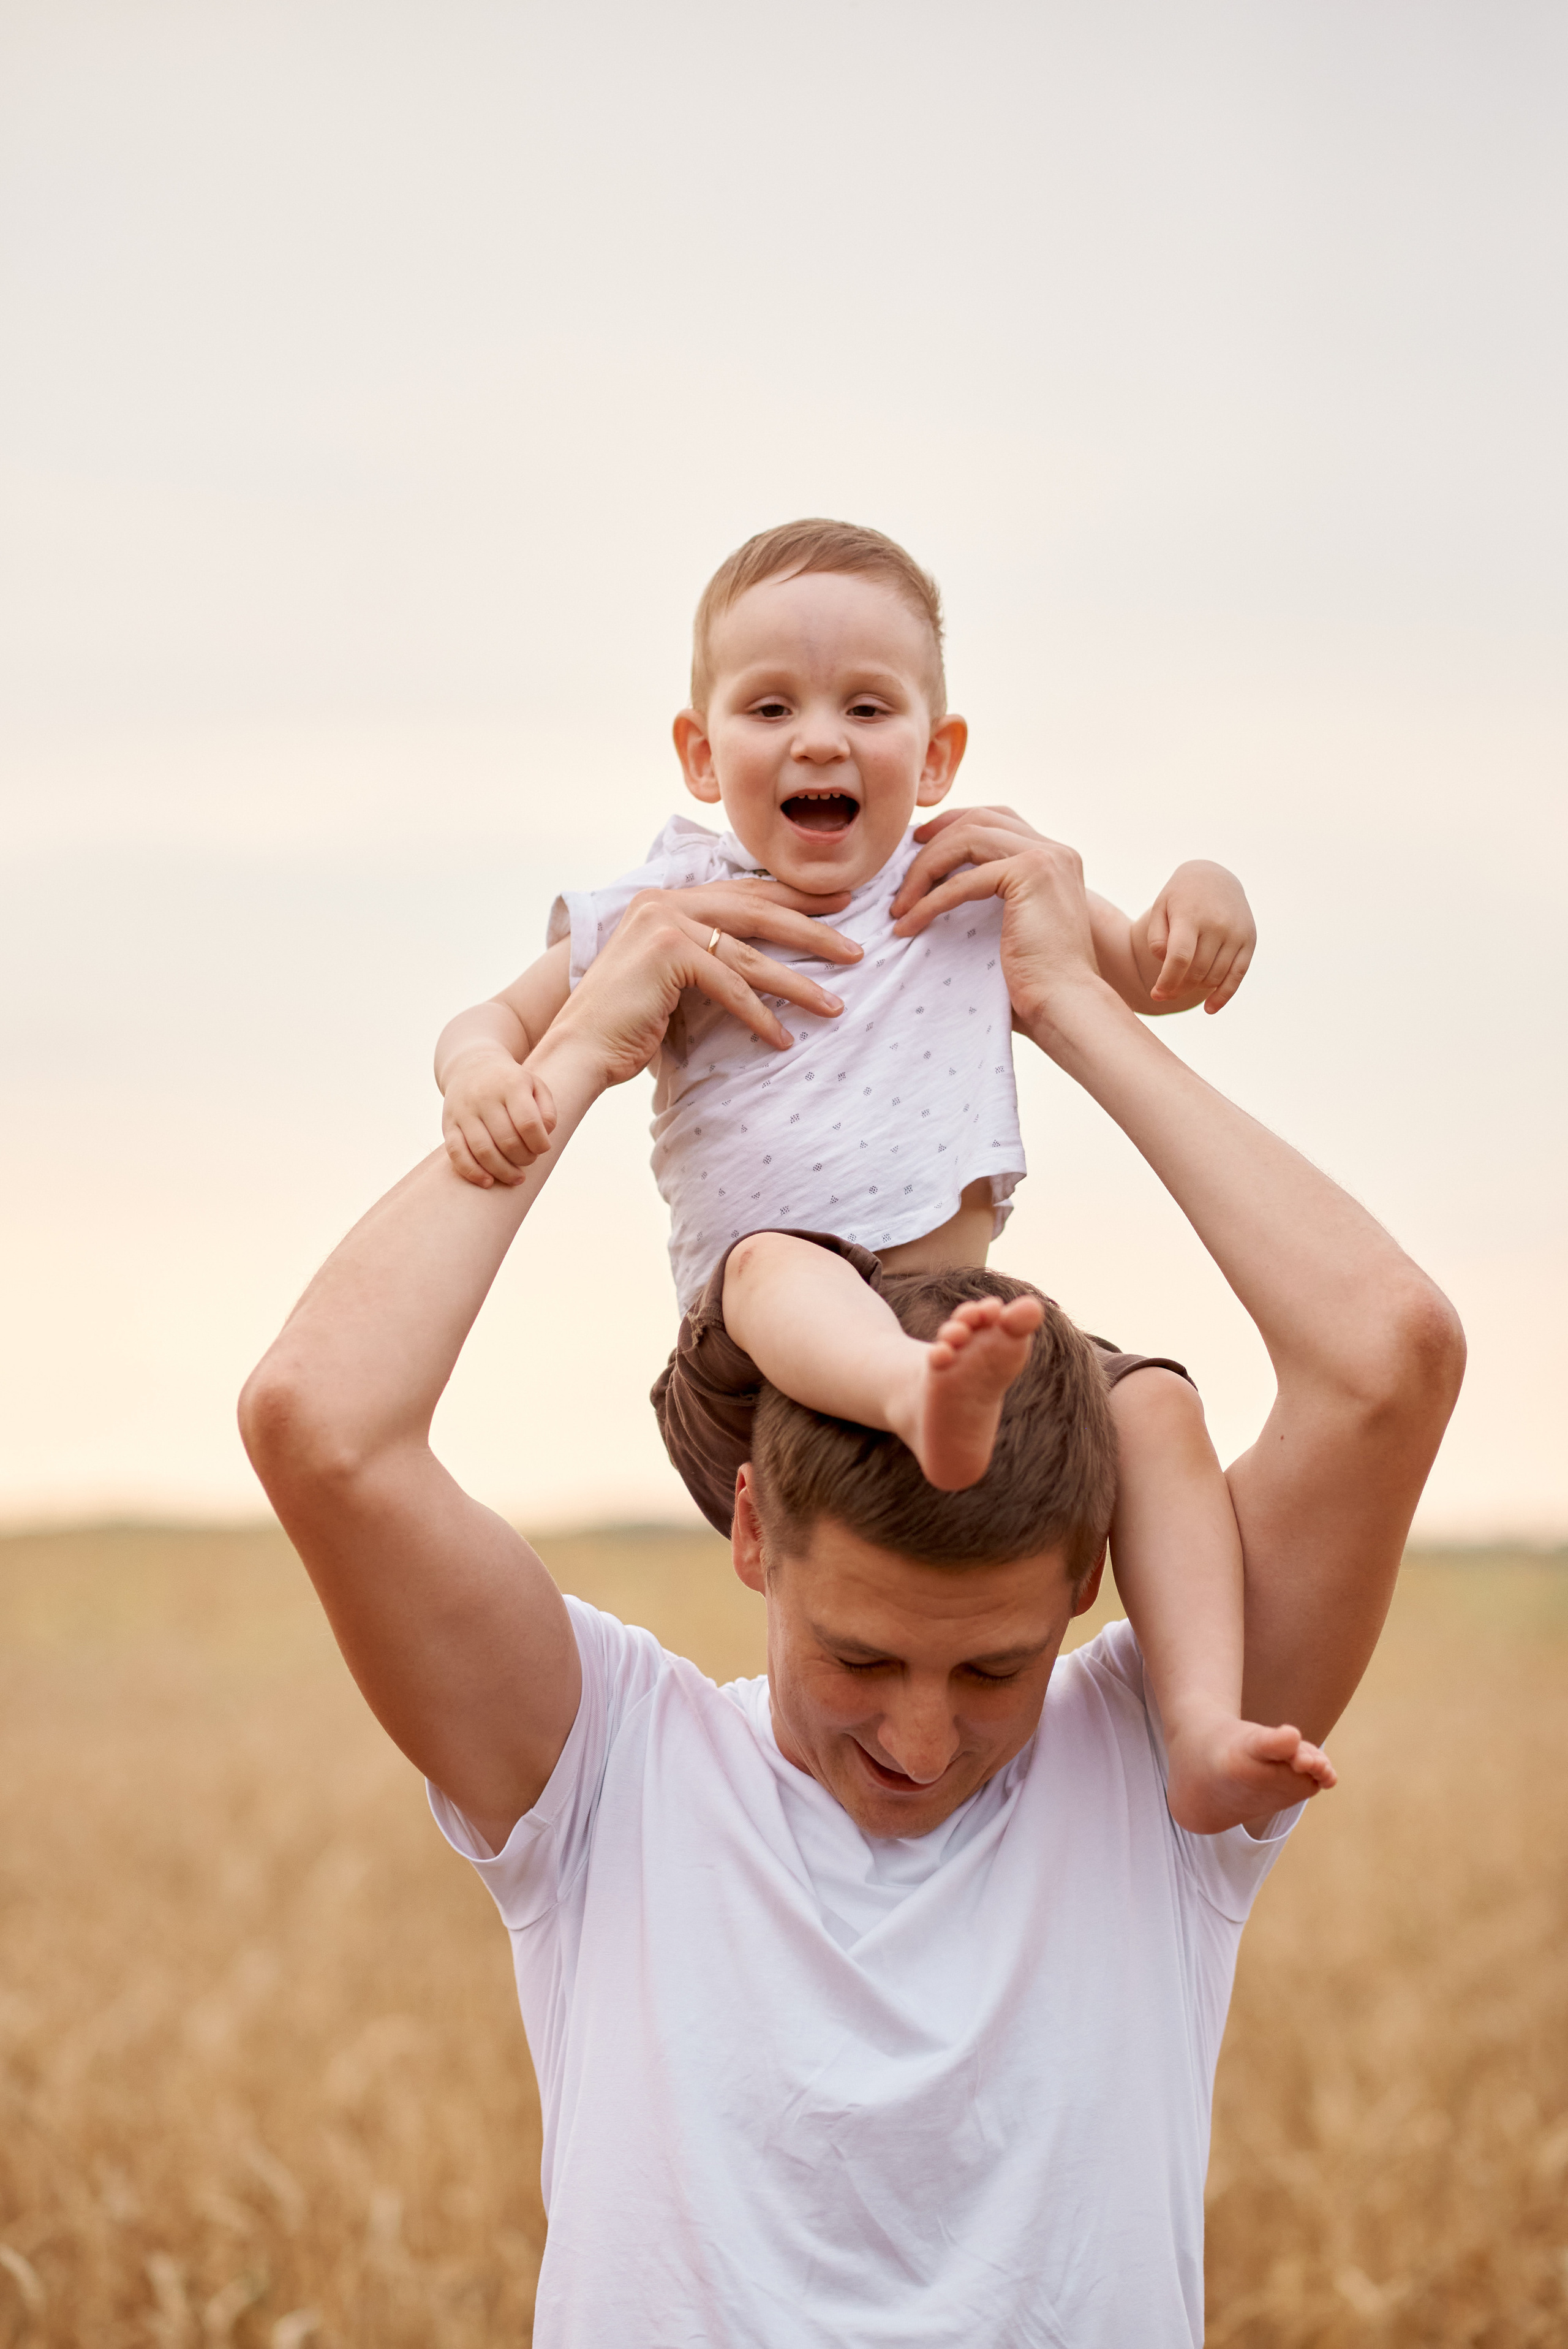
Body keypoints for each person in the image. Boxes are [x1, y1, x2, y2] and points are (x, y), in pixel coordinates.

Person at [239, 837, 1463, 2348]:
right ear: (751, 1529)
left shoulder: (1166, 1775)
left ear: (1090, 1578)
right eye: (861, 1658)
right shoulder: (605, 1774)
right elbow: (320, 1428)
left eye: (996, 1671)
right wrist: (573, 1061)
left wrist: (1071, 1006)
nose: (925, 1740)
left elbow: (1386, 1358)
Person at [429, 518, 1317, 1833]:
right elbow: (485, 1025)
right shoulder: (666, 900)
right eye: (769, 705)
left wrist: (1208, 889)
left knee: (1160, 1412)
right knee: (773, 1263)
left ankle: (1196, 1726)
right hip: (756, 1363)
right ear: (698, 749)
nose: (819, 739)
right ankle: (909, 1393)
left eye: (866, 705)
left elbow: (1150, 970)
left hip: (967, 1329)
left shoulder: (970, 878)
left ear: (936, 750)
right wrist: (480, 1081)